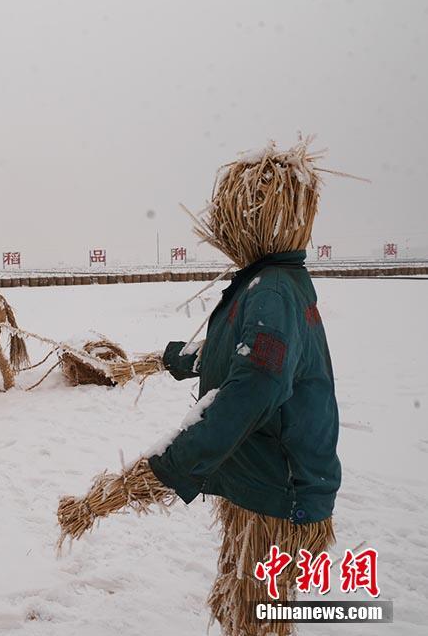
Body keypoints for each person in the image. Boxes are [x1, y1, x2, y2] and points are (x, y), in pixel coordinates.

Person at [147, 140, 341, 636]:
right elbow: (237, 356)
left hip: (275, 490)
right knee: (238, 605)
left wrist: (177, 462)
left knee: (257, 618)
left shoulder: (272, 290)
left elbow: (253, 385)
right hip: (259, 480)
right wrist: (171, 359)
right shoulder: (271, 282)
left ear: (252, 218)